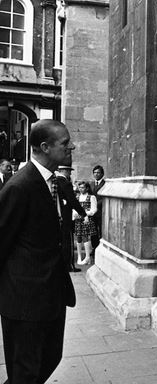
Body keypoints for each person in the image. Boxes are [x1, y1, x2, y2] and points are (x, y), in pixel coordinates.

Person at [0, 119, 77, 383]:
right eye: (65, 143)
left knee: (49, 359)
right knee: (25, 373)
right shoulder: (19, 187)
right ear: (44, 147)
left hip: (51, 297)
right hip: (24, 303)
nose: (72, 147)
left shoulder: (54, 182)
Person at [56, 165, 86, 272]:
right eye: (68, 171)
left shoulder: (55, 181)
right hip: (66, 216)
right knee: (68, 240)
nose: (70, 173)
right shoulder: (65, 182)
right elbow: (72, 200)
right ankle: (68, 265)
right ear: (63, 171)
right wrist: (82, 213)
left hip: (57, 215)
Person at [74, 181, 98, 265]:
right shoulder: (77, 197)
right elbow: (74, 208)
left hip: (86, 219)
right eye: (79, 187)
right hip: (78, 219)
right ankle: (80, 256)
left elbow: (94, 210)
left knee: (85, 237)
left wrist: (85, 214)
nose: (81, 189)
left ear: (87, 188)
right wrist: (75, 214)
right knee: (78, 237)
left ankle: (87, 257)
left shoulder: (91, 197)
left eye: (83, 187)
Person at [90, 165, 105, 255]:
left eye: (98, 172)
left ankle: (101, 248)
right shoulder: (91, 184)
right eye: (94, 173)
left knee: (101, 231)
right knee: (93, 231)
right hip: (92, 212)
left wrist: (96, 205)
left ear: (102, 174)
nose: (96, 174)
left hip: (101, 211)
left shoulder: (105, 184)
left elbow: (104, 198)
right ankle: (94, 248)